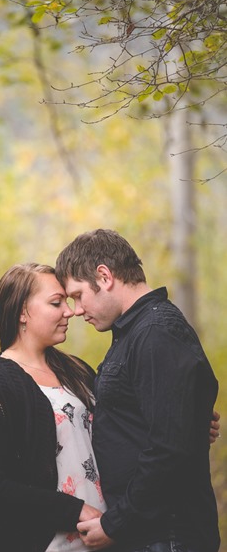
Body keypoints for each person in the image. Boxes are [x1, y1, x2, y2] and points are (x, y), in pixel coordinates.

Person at [55, 228, 220, 552]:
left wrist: (115, 523)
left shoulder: (156, 333)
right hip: (149, 535)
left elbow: (169, 449)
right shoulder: (137, 333)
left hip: (167, 536)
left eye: (77, 295)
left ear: (104, 276)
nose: (75, 309)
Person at [0, 263, 107, 552]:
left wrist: (181, 422)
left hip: (109, 539)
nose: (69, 311)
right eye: (56, 303)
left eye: (66, 302)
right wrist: (75, 510)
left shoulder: (77, 370)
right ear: (21, 312)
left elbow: (122, 429)